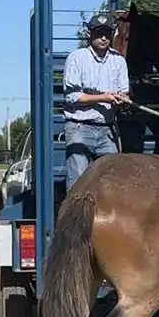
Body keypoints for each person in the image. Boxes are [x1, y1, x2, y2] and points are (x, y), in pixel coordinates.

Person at [62, 10, 132, 190]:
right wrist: (104, 97)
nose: (103, 38)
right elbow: (72, 96)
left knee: (113, 183)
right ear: (89, 34)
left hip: (107, 130)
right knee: (78, 185)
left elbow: (125, 91)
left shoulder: (118, 61)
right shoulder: (76, 58)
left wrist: (123, 98)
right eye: (98, 33)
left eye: (107, 33)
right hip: (79, 127)